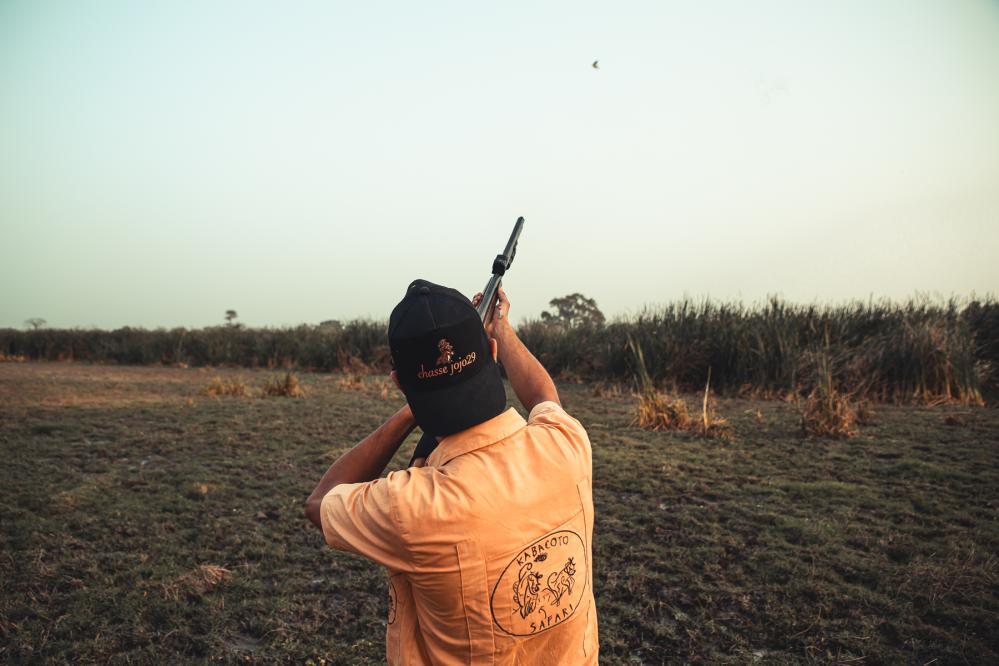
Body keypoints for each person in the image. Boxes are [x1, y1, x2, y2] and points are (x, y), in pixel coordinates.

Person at [305, 279, 599, 665]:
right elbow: (544, 397)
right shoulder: (567, 443)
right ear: (491, 353)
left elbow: (319, 503)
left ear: (399, 383)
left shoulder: (412, 504)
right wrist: (502, 328)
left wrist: (413, 409)